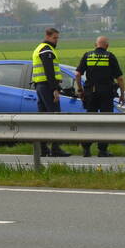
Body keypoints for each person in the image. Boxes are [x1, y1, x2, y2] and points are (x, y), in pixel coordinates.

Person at [75, 36, 125, 157]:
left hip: (90, 93)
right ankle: (102, 150)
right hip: (106, 93)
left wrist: (80, 90)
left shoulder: (87, 55)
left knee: (90, 120)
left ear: (95, 44)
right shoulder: (110, 56)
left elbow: (77, 74)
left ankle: (86, 149)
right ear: (107, 46)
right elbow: (120, 78)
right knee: (105, 121)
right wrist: (122, 94)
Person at [32, 27, 70, 157]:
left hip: (40, 86)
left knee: (42, 118)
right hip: (47, 87)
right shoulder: (47, 50)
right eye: (54, 38)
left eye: (57, 38)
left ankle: (43, 148)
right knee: (55, 117)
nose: (56, 40)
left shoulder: (39, 48)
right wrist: (55, 89)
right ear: (47, 36)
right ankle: (55, 148)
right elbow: (49, 71)